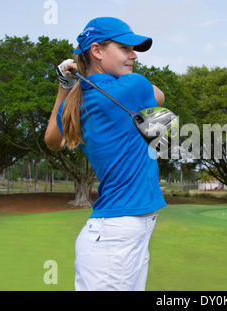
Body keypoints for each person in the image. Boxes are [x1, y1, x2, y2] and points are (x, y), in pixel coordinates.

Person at [44, 17, 167, 291]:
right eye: (125, 48)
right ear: (97, 51)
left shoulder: (79, 99)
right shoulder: (133, 86)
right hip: (115, 237)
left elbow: (52, 139)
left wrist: (65, 84)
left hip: (119, 234)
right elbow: (158, 96)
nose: (133, 55)